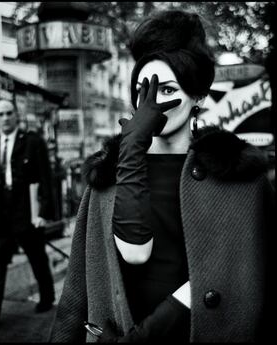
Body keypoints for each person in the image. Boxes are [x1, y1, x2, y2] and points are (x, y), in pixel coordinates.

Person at [49, 10, 274, 343]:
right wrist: (131, 151)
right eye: (142, 91)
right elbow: (81, 292)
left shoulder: (240, 178)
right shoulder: (106, 180)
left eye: (167, 90)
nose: (152, 105)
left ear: (197, 95)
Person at [0, 99, 56, 335]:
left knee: (37, 257)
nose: (5, 118)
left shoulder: (32, 142)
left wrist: (43, 214)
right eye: (0, 114)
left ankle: (47, 297)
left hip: (26, 212)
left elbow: (46, 179)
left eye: (9, 113)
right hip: (0, 216)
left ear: (16, 115)